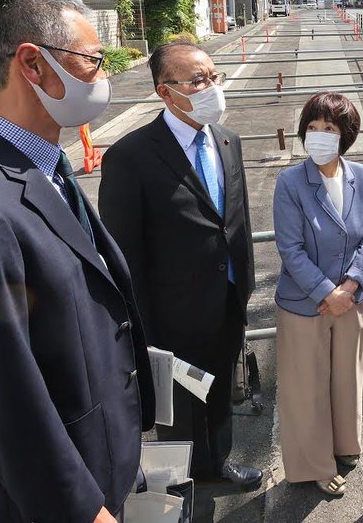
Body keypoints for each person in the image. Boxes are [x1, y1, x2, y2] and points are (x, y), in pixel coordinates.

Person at [0, 0, 153, 523]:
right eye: (92, 61)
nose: (103, 76)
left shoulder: (42, 167)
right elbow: (1, 394)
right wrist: (82, 510)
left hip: (96, 459)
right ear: (33, 65)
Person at [98, 41, 262, 491]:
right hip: (171, 315)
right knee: (181, 409)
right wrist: (141, 328)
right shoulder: (131, 156)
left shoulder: (227, 140)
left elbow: (237, 220)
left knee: (220, 397)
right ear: (165, 92)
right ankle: (179, 486)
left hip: (226, 299)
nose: (210, 87)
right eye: (197, 80)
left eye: (213, 76)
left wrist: (243, 285)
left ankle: (217, 464)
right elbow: (122, 252)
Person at [272, 92, 363, 497]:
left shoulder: (361, 176)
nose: (318, 136)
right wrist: (326, 292)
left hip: (352, 299)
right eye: (312, 128)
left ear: (345, 136)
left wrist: (350, 286)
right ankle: (314, 464)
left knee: (347, 377)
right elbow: (290, 248)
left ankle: (344, 444)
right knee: (306, 387)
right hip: (305, 304)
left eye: (329, 129)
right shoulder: (291, 182)